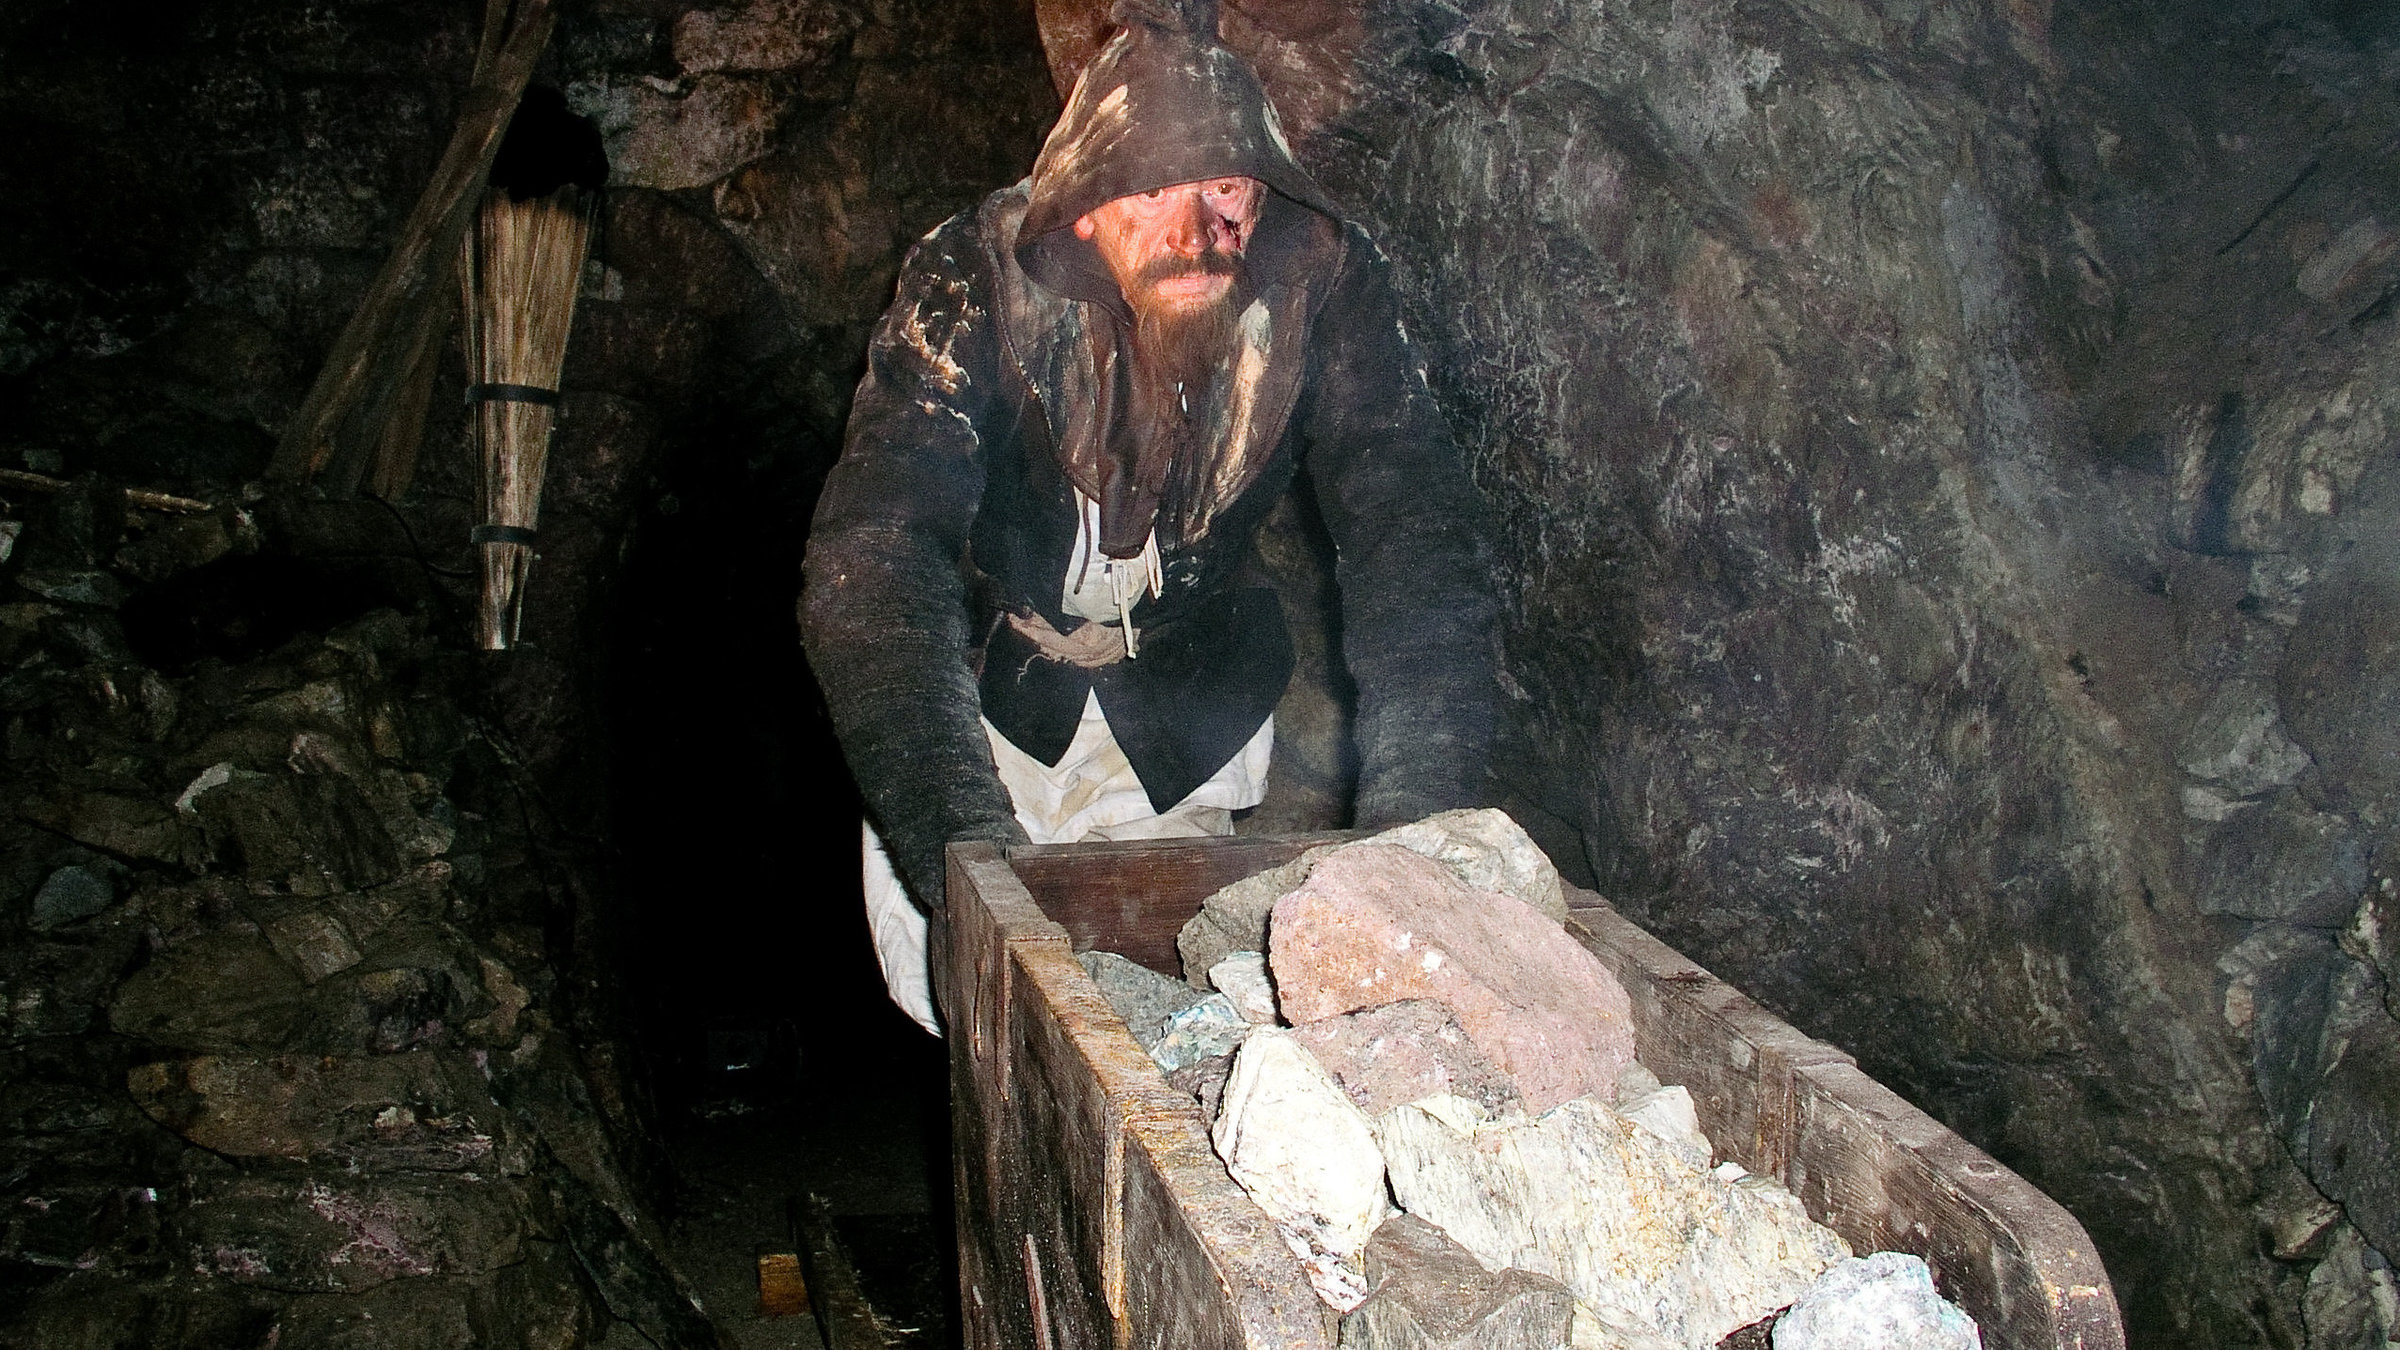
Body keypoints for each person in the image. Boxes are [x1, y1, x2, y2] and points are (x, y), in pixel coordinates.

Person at [801, 0, 1498, 1033]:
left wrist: (1417, 841)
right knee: (990, 1012)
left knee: (1165, 1011)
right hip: (992, 714)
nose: (1195, 233)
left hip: (1186, 703)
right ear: (1083, 206)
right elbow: (875, 558)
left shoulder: (1321, 285)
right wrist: (966, 851)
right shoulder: (978, 278)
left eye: (1222, 189)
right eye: (1149, 192)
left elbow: (1418, 543)